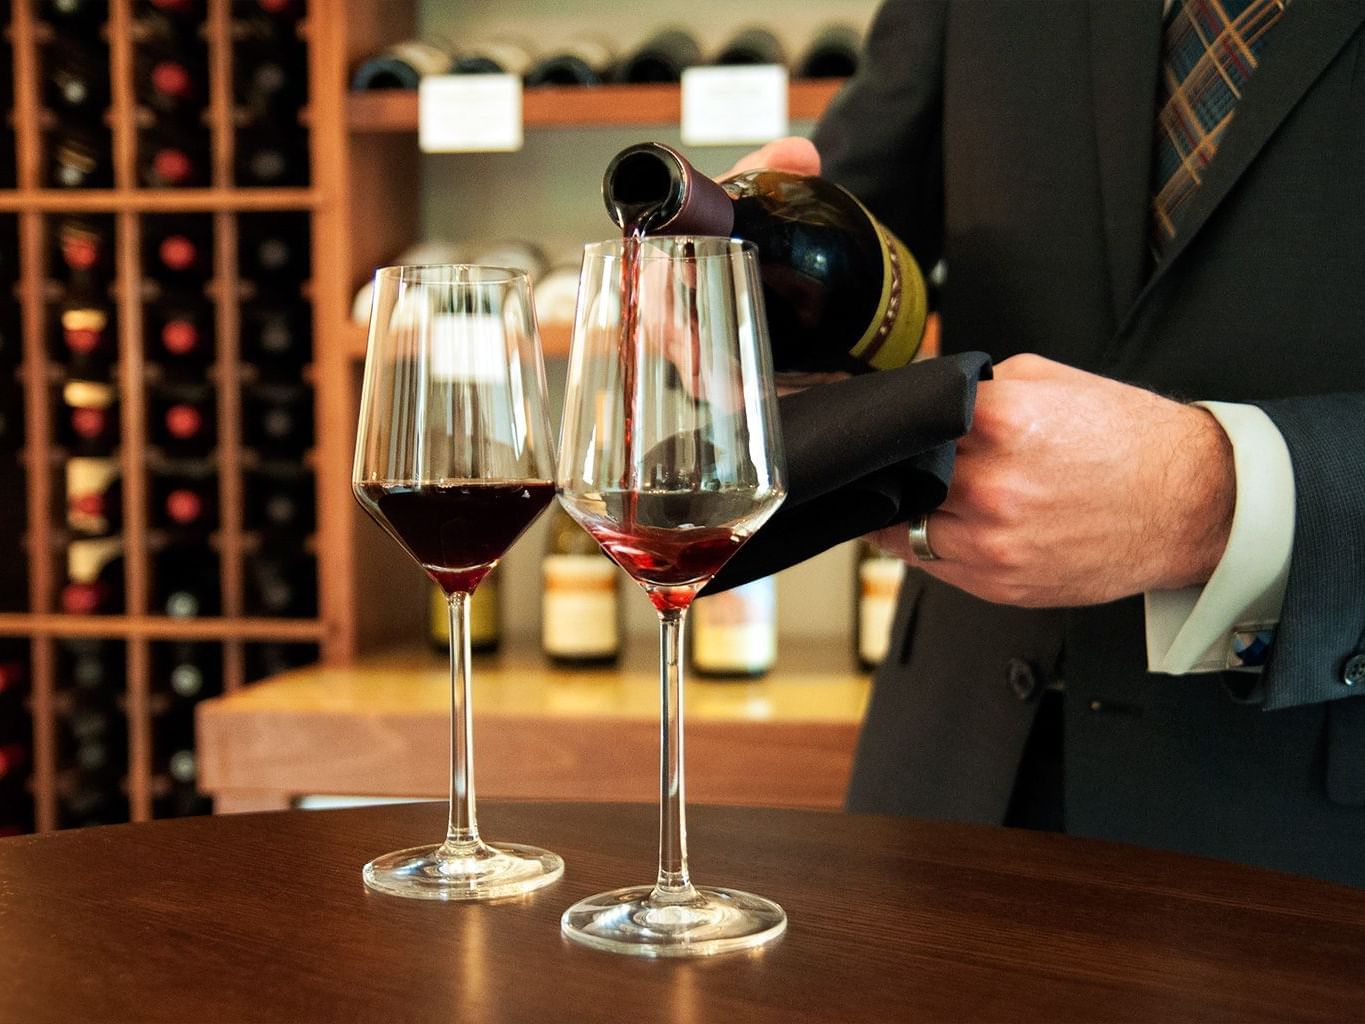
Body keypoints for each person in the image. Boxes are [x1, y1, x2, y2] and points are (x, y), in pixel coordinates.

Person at [733, 0, 1365, 885]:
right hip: (951, 777)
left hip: (1310, 841)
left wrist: (1214, 500)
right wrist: (738, 303)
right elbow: (856, 220)